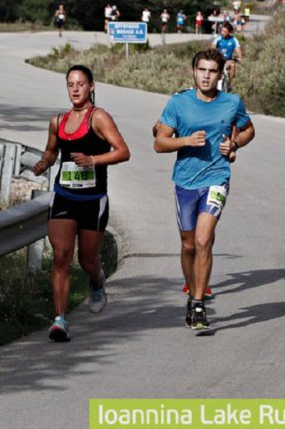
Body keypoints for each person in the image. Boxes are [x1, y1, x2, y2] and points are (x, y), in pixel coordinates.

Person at [153, 48, 255, 331]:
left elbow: (248, 130)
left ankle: (198, 305)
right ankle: (191, 291)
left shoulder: (232, 102)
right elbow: (160, 143)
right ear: (193, 72)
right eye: (202, 70)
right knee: (187, 244)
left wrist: (234, 144)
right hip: (185, 181)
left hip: (217, 177)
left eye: (212, 71)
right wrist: (185, 141)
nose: (206, 76)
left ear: (221, 75)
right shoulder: (178, 103)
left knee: (202, 239)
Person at [33, 65, 130, 342]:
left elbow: (123, 151)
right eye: (70, 84)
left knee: (85, 260)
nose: (75, 89)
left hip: (93, 201)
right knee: (61, 256)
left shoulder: (98, 118)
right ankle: (60, 320)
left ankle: (97, 279)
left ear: (91, 87)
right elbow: (51, 152)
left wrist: (93, 160)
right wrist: (43, 163)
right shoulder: (58, 121)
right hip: (64, 196)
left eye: (80, 84)